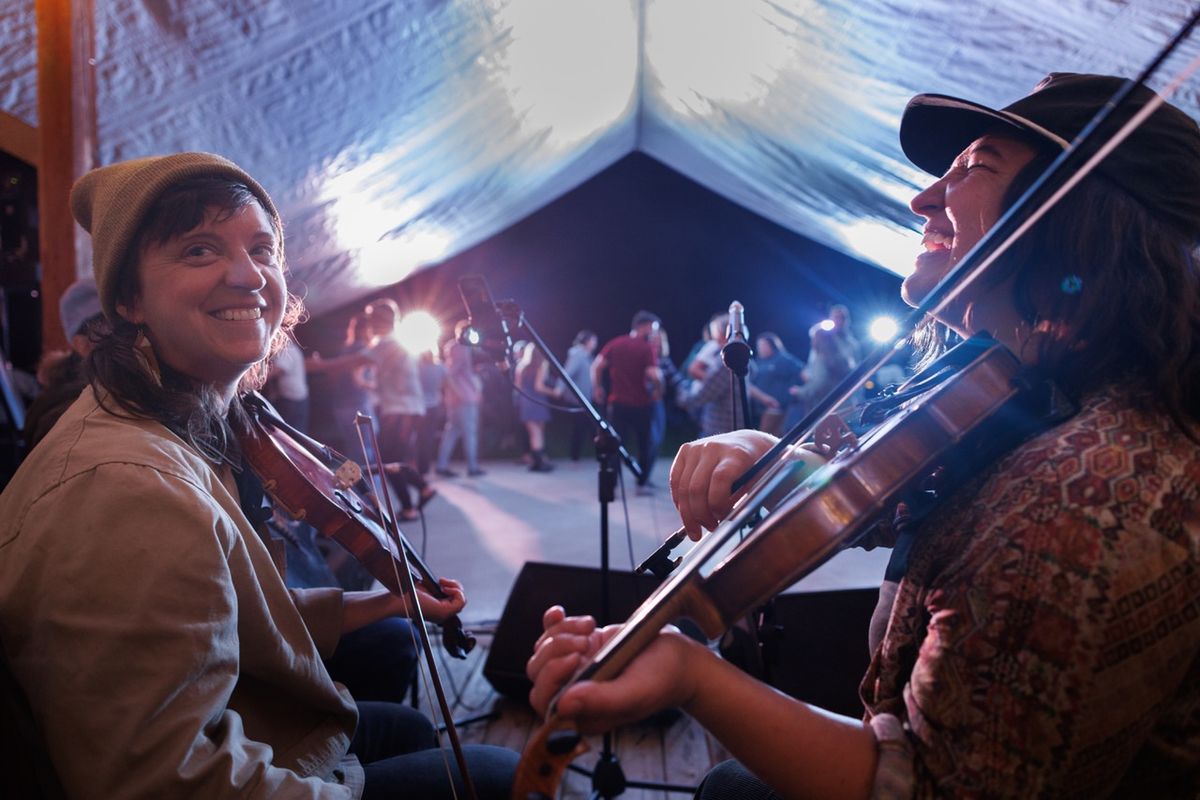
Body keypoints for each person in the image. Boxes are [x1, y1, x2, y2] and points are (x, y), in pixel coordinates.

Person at [526, 73, 1200, 797]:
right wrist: (772, 454)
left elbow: (937, 788)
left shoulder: (1088, 500)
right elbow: (881, 487)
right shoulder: (1022, 391)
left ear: (1075, 222)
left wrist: (694, 676)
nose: (921, 199)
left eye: (973, 168)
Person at [0, 153, 516, 798]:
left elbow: (224, 611)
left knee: (406, 727)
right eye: (198, 250)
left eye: (263, 249)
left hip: (245, 727)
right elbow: (160, 780)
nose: (249, 275)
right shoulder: (126, 485)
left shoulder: (174, 424)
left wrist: (386, 599)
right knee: (501, 777)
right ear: (127, 298)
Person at [591, 310, 663, 489]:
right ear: (644, 326)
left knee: (614, 443)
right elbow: (653, 375)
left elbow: (597, 366)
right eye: (653, 328)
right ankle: (642, 480)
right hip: (641, 404)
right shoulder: (646, 348)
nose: (654, 333)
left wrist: (598, 386)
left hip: (617, 404)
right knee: (644, 444)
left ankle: (612, 482)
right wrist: (658, 390)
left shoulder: (616, 343)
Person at [435, 320, 485, 477]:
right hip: (465, 397)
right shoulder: (462, 348)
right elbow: (451, 373)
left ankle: (441, 465)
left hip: (454, 398)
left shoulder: (450, 346)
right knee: (469, 432)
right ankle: (472, 467)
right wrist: (461, 393)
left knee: (452, 432)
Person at [515, 343, 558, 472]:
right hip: (537, 400)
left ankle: (536, 461)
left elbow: (518, 387)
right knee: (537, 432)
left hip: (526, 400)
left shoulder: (521, 366)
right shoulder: (542, 365)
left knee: (534, 433)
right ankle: (540, 462)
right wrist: (554, 392)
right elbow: (539, 386)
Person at [753, 332, 804, 436]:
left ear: (773, 345)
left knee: (766, 439)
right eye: (759, 346)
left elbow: (804, 374)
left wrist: (799, 391)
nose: (760, 348)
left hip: (777, 410)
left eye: (763, 345)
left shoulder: (783, 359)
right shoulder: (759, 361)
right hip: (759, 409)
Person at [563, 329, 598, 461]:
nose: (595, 343)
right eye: (593, 341)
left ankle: (597, 455)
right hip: (579, 400)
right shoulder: (578, 355)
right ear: (587, 341)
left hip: (587, 399)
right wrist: (559, 389)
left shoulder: (587, 356)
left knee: (591, 427)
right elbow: (567, 373)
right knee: (580, 429)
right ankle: (575, 457)